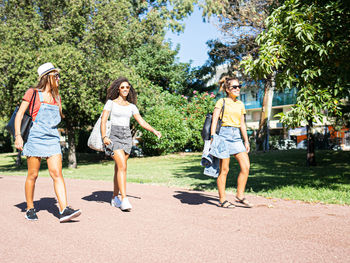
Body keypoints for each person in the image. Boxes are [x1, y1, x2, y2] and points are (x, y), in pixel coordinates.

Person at [15, 62, 81, 222]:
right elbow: (20, 115)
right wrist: (18, 135)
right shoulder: (32, 93)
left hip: (52, 138)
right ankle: (30, 208)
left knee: (57, 173)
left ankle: (64, 209)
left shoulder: (57, 97)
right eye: (56, 75)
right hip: (35, 137)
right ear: (48, 77)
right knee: (33, 175)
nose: (59, 78)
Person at [101, 77, 161, 211]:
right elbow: (104, 120)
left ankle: (114, 197)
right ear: (118, 89)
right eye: (122, 87)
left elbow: (141, 122)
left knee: (119, 168)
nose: (125, 89)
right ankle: (124, 199)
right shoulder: (110, 103)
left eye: (127, 87)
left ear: (129, 90)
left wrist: (154, 130)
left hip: (127, 137)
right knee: (122, 166)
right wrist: (104, 136)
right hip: (114, 136)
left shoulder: (132, 106)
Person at [209, 76, 252, 208]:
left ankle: (239, 195)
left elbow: (242, 124)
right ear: (228, 89)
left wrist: (246, 140)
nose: (237, 89)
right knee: (224, 170)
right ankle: (222, 200)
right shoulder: (221, 102)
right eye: (234, 87)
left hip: (236, 137)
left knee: (246, 166)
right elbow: (214, 120)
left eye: (239, 86)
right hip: (223, 136)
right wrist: (212, 137)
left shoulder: (240, 104)